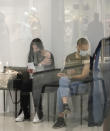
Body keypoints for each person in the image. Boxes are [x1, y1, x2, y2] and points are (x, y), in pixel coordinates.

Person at [53, 38, 90, 129]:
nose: (85, 51)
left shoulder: (86, 57)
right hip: (68, 82)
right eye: (83, 49)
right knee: (62, 81)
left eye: (86, 49)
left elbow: (84, 75)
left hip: (80, 83)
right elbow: (65, 70)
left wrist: (71, 75)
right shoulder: (69, 57)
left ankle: (61, 118)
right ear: (78, 47)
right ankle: (65, 106)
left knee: (60, 89)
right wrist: (62, 73)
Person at [16, 38, 55, 122]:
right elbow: (31, 70)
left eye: (37, 48)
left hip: (45, 79)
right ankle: (23, 111)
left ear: (41, 47)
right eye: (33, 49)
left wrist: (36, 67)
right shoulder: (31, 55)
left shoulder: (48, 54)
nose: (35, 50)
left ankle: (38, 113)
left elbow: (48, 71)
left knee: (36, 82)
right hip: (34, 78)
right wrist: (40, 64)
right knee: (25, 83)